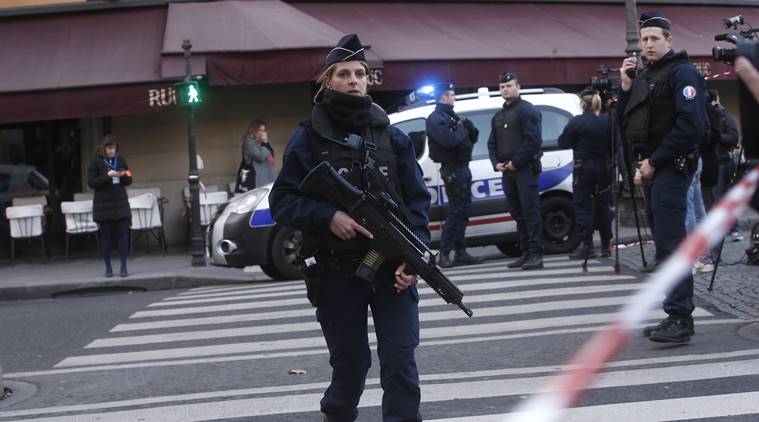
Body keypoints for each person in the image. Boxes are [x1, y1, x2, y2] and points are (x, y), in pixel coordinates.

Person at [269, 34, 430, 422]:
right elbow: (282, 201)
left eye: (361, 73)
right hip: (337, 272)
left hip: (392, 270)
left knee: (400, 360)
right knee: (351, 365)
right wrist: (328, 217)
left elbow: (418, 203)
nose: (355, 80)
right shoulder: (307, 138)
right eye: (344, 73)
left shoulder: (392, 136)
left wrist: (416, 257)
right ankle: (337, 414)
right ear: (328, 82)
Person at [618, 11, 706, 343]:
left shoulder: (682, 73)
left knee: (672, 244)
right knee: (664, 245)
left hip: (671, 166)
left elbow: (690, 127)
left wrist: (654, 161)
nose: (648, 45)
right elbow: (625, 125)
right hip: (653, 168)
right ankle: (675, 312)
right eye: (644, 39)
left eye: (655, 38)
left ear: (669, 40)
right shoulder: (645, 76)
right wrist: (626, 88)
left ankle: (681, 317)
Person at [487, 72, 544, 270]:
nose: (505, 89)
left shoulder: (527, 111)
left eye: (509, 85)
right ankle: (526, 252)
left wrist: (516, 162)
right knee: (517, 213)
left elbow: (533, 141)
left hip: (524, 169)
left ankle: (536, 254)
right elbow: (492, 143)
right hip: (507, 172)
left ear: (518, 87)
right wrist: (497, 163)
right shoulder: (498, 115)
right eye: (502, 86)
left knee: (530, 212)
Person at [425, 81, 483, 268]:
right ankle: (444, 253)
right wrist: (462, 128)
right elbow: (450, 141)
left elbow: (471, 137)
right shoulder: (436, 118)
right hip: (452, 170)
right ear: (444, 96)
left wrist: (466, 127)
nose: (454, 97)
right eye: (452, 94)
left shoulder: (451, 117)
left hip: (462, 168)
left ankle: (460, 251)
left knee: (463, 211)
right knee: (456, 212)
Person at [558, 88, 613, 259]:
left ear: (583, 103)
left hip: (584, 168)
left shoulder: (577, 122)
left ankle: (587, 246)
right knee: (604, 206)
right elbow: (615, 145)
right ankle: (606, 245)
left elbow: (563, 142)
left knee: (583, 207)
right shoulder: (608, 121)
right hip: (605, 167)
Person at [87, 135, 132, 278]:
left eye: (114, 148)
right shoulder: (96, 163)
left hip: (120, 202)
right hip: (103, 204)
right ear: (104, 149)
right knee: (105, 236)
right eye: (109, 148)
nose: (112, 151)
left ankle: (124, 267)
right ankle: (108, 268)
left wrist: (124, 174)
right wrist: (108, 175)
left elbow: (129, 178)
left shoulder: (121, 160)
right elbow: (91, 183)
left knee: (123, 234)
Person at [707, 91, 743, 241]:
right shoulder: (706, 116)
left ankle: (734, 229)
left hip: (723, 161)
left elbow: (734, 137)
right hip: (713, 162)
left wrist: (717, 138)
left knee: (722, 198)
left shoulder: (724, 116)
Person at [244, 120, 278, 188]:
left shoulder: (262, 143)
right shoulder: (249, 143)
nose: (263, 133)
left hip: (269, 177)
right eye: (260, 130)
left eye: (264, 130)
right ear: (253, 131)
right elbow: (260, 157)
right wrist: (265, 143)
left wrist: (266, 142)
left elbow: (271, 155)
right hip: (258, 180)